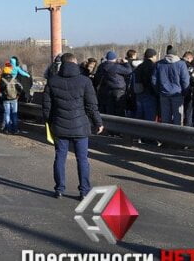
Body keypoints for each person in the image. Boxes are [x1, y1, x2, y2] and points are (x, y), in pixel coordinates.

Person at [42, 53, 104, 200]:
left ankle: (59, 189)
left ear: (61, 64)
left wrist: (50, 122)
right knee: (82, 159)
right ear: (75, 63)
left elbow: (46, 106)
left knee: (60, 158)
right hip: (80, 126)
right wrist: (98, 122)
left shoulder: (52, 81)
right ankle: (84, 191)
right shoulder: (85, 81)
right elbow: (91, 105)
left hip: (59, 125)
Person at [151, 47, 190, 125]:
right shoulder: (181, 64)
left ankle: (166, 136)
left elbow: (154, 80)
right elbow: (185, 81)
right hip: (177, 94)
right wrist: (185, 92)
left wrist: (158, 91)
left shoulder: (159, 64)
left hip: (163, 93)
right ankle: (177, 136)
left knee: (165, 119)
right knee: (178, 119)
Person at [93, 51, 132, 116]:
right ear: (115, 58)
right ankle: (120, 124)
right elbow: (129, 71)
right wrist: (126, 63)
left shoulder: (102, 66)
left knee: (110, 110)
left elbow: (97, 77)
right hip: (118, 90)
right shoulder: (116, 66)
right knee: (119, 110)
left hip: (107, 90)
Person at [133, 49, 158, 122]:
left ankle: (138, 132)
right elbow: (153, 81)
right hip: (150, 94)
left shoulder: (139, 66)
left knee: (140, 116)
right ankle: (148, 133)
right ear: (153, 56)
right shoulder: (153, 66)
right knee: (150, 117)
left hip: (139, 93)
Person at [0, 66, 23, 134]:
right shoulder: (14, 79)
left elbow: (1, 89)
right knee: (14, 113)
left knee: (7, 113)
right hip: (14, 98)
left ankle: (7, 129)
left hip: (6, 99)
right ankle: (15, 129)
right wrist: (18, 95)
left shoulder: (2, 79)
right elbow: (20, 88)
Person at [182, 51, 194, 127]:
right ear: (189, 58)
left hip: (174, 92)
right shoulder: (189, 67)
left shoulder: (176, 63)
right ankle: (187, 133)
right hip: (188, 92)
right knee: (188, 113)